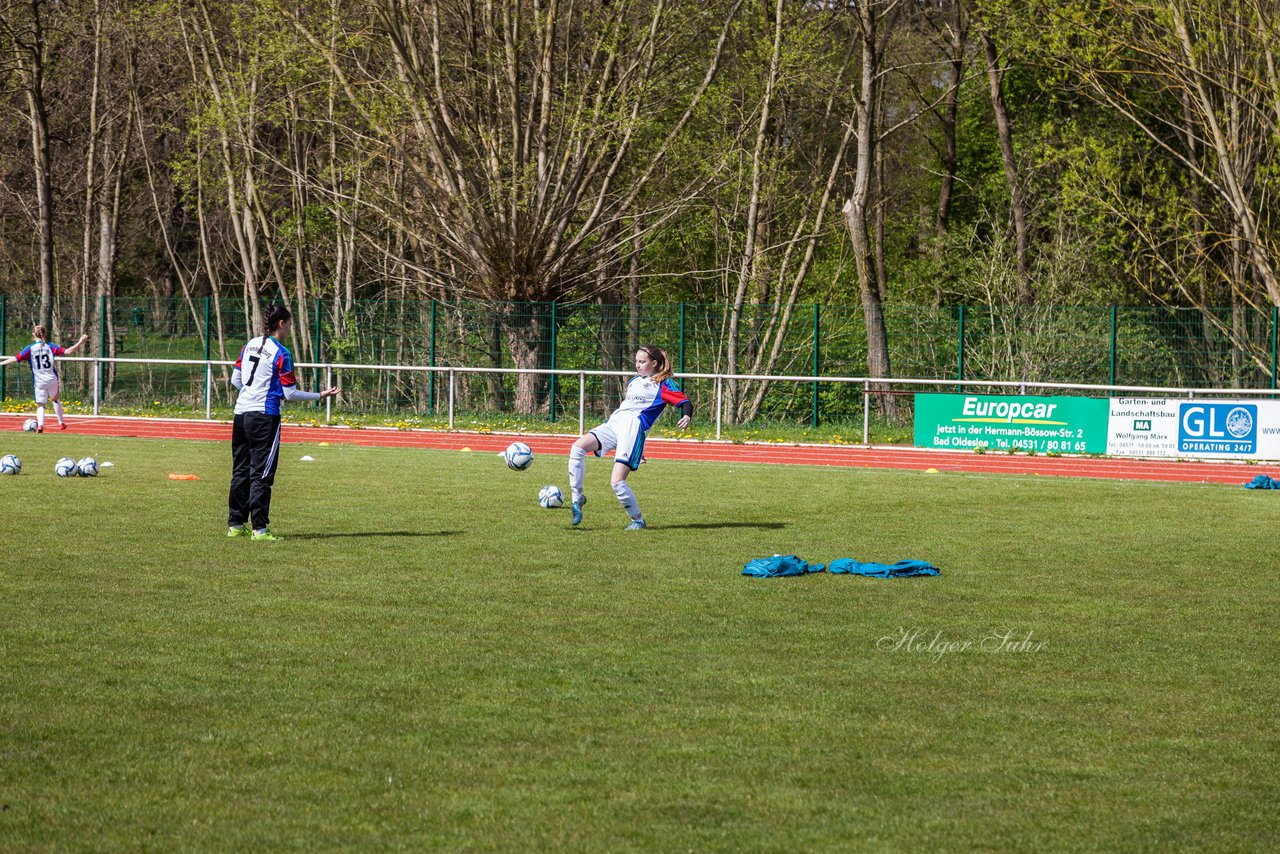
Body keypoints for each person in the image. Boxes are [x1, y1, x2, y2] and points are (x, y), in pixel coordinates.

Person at [227, 305, 339, 541]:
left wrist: (251, 392)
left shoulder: (249, 345)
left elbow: (235, 379)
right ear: (281, 324)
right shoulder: (282, 353)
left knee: (240, 470)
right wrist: (320, 395)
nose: (290, 328)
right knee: (262, 473)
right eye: (289, 323)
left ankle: (236, 525)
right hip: (264, 417)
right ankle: (260, 529)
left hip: (241, 414)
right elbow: (289, 394)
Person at [568, 345, 692, 529]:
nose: (637, 365)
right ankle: (577, 499)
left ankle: (638, 520)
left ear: (654, 363)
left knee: (617, 482)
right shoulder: (633, 381)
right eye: (636, 361)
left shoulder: (664, 384)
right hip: (614, 423)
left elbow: (685, 402)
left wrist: (687, 415)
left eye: (642, 362)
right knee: (577, 447)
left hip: (633, 430)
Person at [0, 326, 89, 432]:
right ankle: (61, 423)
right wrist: (80, 342)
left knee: (41, 405)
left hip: (39, 381)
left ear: (33, 334)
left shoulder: (29, 348)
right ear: (45, 334)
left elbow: (16, 358)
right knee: (55, 399)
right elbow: (68, 352)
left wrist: (1, 363)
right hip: (52, 379)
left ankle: (41, 425)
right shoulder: (50, 347)